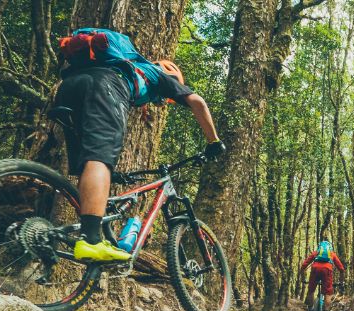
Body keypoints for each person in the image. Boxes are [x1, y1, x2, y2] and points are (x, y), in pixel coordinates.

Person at [53, 29, 225, 262]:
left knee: (90, 163)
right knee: (99, 158)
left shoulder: (125, 66)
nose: (162, 101)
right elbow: (197, 102)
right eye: (167, 98)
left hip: (68, 88)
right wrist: (213, 142)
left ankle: (74, 233)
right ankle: (90, 241)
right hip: (103, 86)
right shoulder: (157, 74)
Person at [299, 241, 346, 309]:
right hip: (327, 270)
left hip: (315, 270)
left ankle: (310, 309)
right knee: (328, 292)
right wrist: (341, 281)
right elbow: (341, 269)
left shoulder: (316, 253)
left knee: (311, 290)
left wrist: (303, 279)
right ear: (330, 248)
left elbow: (303, 266)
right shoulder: (332, 254)